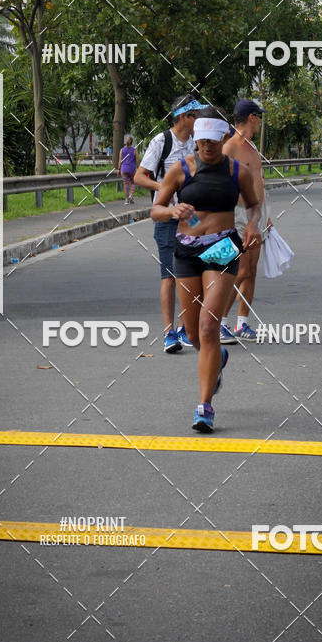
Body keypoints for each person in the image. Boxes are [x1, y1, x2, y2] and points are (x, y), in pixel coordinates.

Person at [151, 107, 261, 432]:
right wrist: (172, 211)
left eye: (214, 140)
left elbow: (253, 205)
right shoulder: (180, 169)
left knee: (209, 326)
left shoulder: (237, 172)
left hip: (223, 248)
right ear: (196, 138)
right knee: (193, 334)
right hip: (186, 251)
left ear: (223, 137)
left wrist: (252, 224)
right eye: (202, 141)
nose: (208, 146)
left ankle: (205, 407)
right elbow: (155, 209)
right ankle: (217, 360)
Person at [134, 95, 207, 353]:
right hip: (167, 216)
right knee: (169, 275)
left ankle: (185, 327)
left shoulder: (198, 143)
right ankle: (169, 333)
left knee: (194, 274)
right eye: (196, 115)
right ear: (183, 117)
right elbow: (139, 176)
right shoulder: (162, 141)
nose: (199, 119)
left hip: (193, 218)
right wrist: (164, 188)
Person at [218, 99, 271, 343]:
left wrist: (265, 214)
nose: (260, 121)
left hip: (257, 214)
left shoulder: (251, 146)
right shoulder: (230, 147)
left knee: (251, 271)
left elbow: (258, 180)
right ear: (251, 117)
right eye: (259, 117)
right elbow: (222, 184)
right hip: (239, 215)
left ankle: (242, 323)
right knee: (240, 270)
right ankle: (218, 321)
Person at [118, 136, 138, 204]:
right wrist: (138, 168)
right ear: (132, 142)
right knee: (133, 182)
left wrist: (119, 169)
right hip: (132, 169)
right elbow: (137, 161)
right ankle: (131, 195)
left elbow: (120, 160)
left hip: (123, 169)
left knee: (126, 184)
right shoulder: (134, 150)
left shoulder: (122, 150)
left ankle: (126, 200)